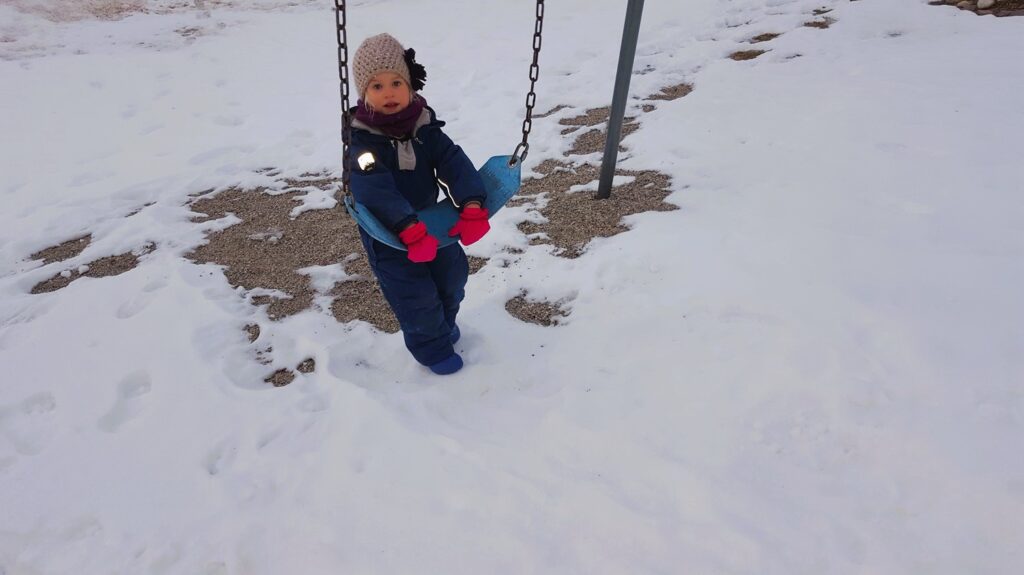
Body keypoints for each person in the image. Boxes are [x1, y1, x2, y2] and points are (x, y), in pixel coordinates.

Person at [347, 33, 490, 375]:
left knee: (452, 278)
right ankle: (433, 349)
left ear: (410, 83)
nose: (389, 92)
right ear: (364, 94)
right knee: (415, 296)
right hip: (388, 233)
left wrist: (471, 202)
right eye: (376, 86)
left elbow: (453, 161)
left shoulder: (424, 126)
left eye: (396, 82)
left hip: (433, 223)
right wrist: (406, 227)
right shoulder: (362, 142)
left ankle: (443, 325)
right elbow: (373, 188)